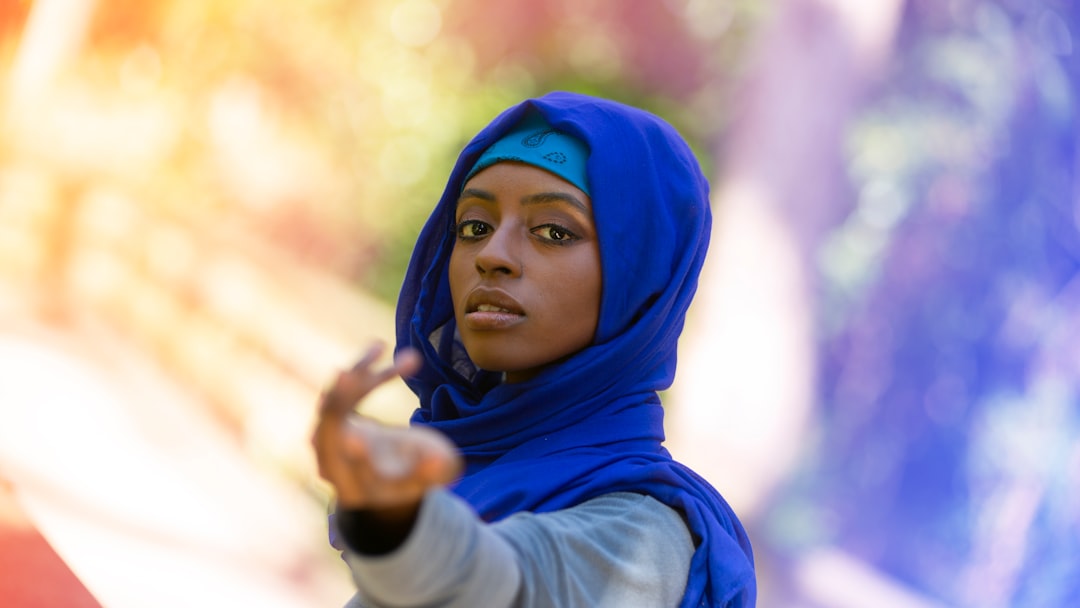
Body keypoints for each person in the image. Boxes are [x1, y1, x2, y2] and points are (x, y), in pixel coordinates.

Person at [311, 91, 756, 607]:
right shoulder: (465, 470)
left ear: (641, 280)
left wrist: (394, 525)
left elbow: (501, 581)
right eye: (474, 227)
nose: (492, 255)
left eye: (553, 231)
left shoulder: (642, 533)